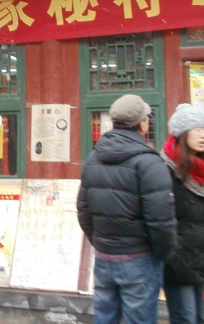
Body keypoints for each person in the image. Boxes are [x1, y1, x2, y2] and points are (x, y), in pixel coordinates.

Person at [77, 94, 177, 324]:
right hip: (140, 258)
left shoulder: (93, 158)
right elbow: (160, 219)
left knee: (105, 317)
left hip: (104, 257)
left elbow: (83, 210)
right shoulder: (150, 162)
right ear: (143, 124)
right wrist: (162, 253)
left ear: (113, 124)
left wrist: (102, 242)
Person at [160, 103, 204, 324]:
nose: (202, 135)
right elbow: (158, 215)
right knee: (185, 317)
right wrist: (171, 250)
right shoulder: (164, 168)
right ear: (182, 133)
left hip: (200, 256)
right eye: (197, 129)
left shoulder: (201, 168)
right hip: (177, 260)